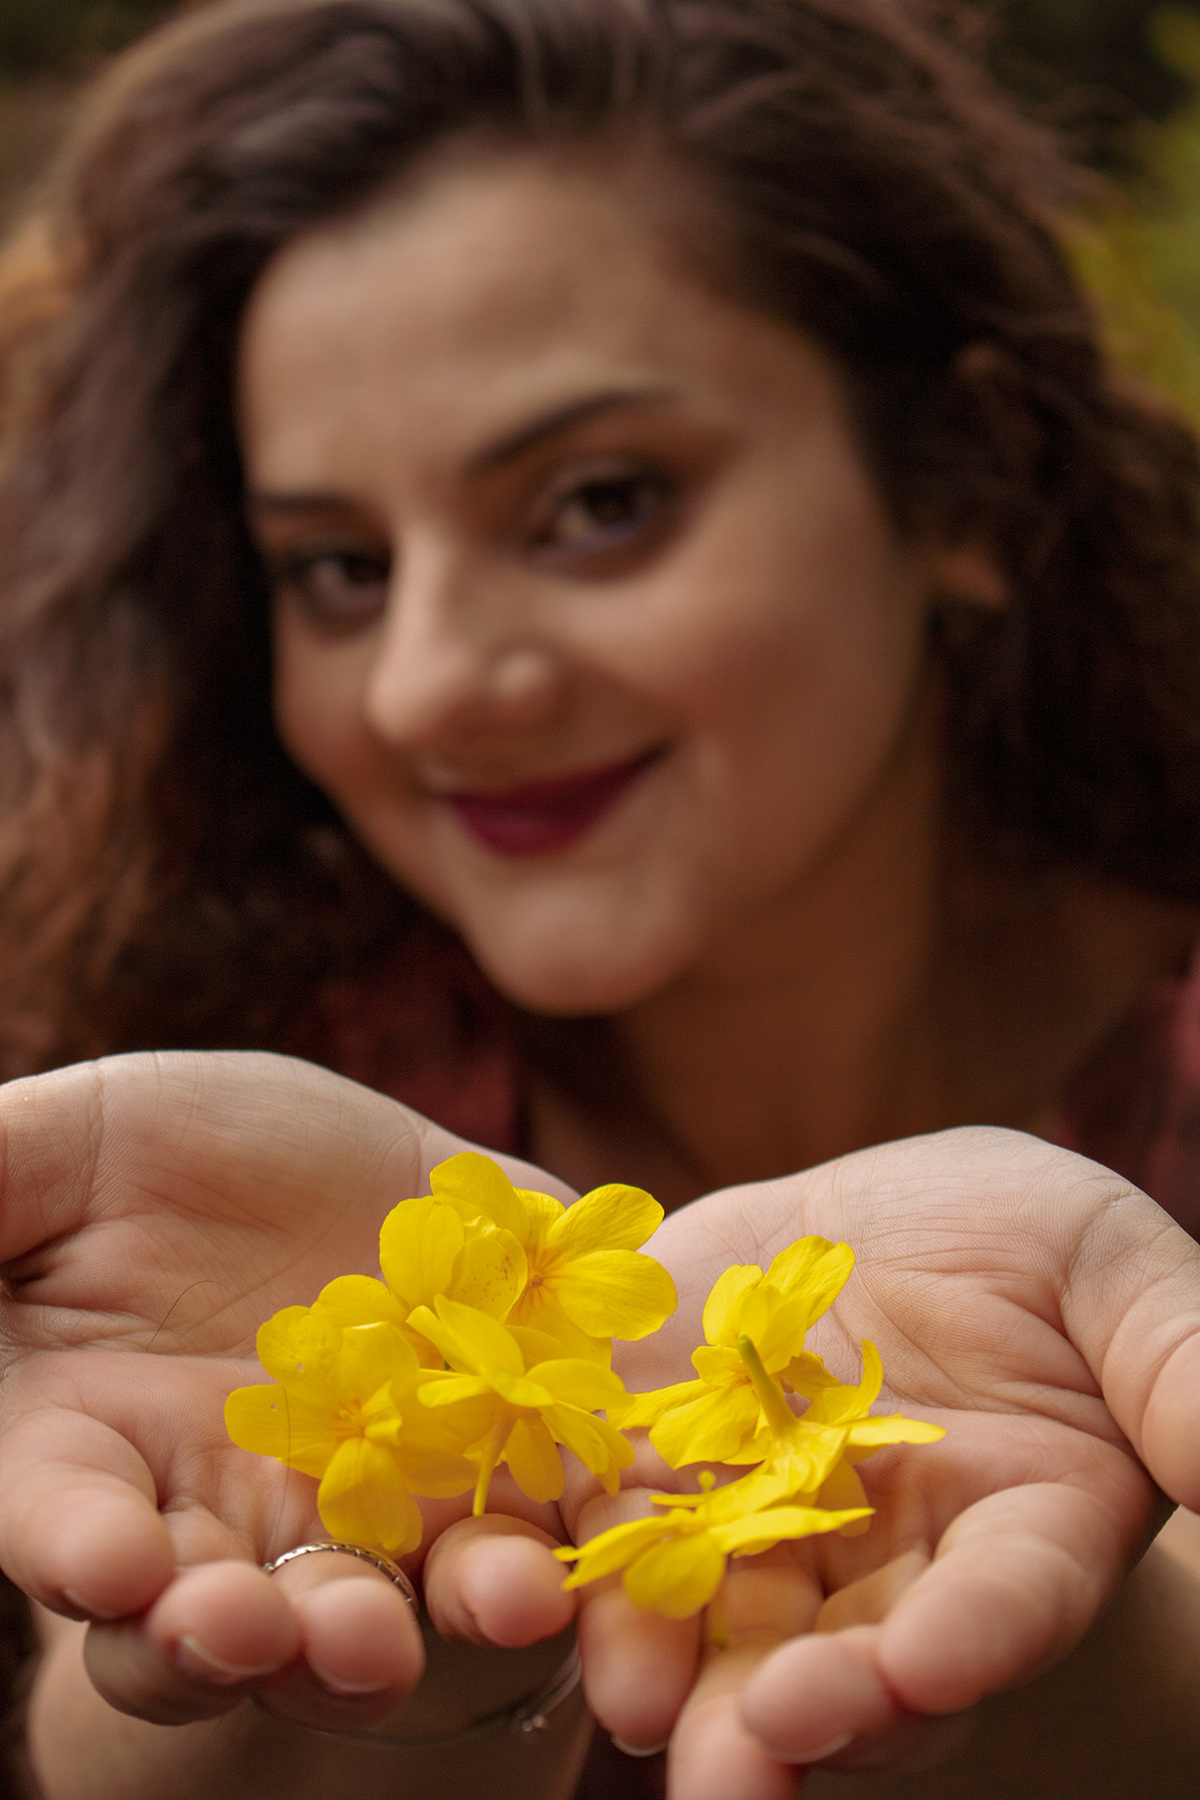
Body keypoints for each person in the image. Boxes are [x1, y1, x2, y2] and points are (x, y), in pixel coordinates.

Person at [4, 0, 1200, 1793]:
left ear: (969, 480)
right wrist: (376, 1648)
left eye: (599, 502)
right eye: (338, 568)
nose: (426, 684)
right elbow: (103, 1721)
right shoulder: (231, 1104)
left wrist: (1060, 1626)